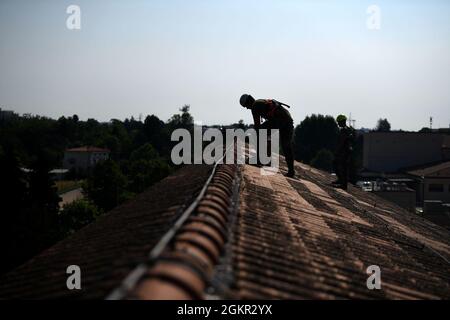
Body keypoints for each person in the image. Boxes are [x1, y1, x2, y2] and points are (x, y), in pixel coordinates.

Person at [239, 94, 295, 177]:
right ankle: (291, 171)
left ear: (248, 102)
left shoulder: (255, 106)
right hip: (288, 121)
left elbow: (257, 127)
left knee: (260, 132)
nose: (247, 108)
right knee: (286, 146)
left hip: (280, 120)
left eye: (246, 106)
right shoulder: (261, 102)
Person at [332, 114, 355, 190]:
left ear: (342, 122)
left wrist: (337, 151)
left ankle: (343, 184)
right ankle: (341, 181)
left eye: (338, 122)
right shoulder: (348, 129)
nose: (338, 123)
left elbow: (342, 142)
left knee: (342, 167)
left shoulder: (344, 130)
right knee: (340, 166)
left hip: (344, 152)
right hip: (347, 151)